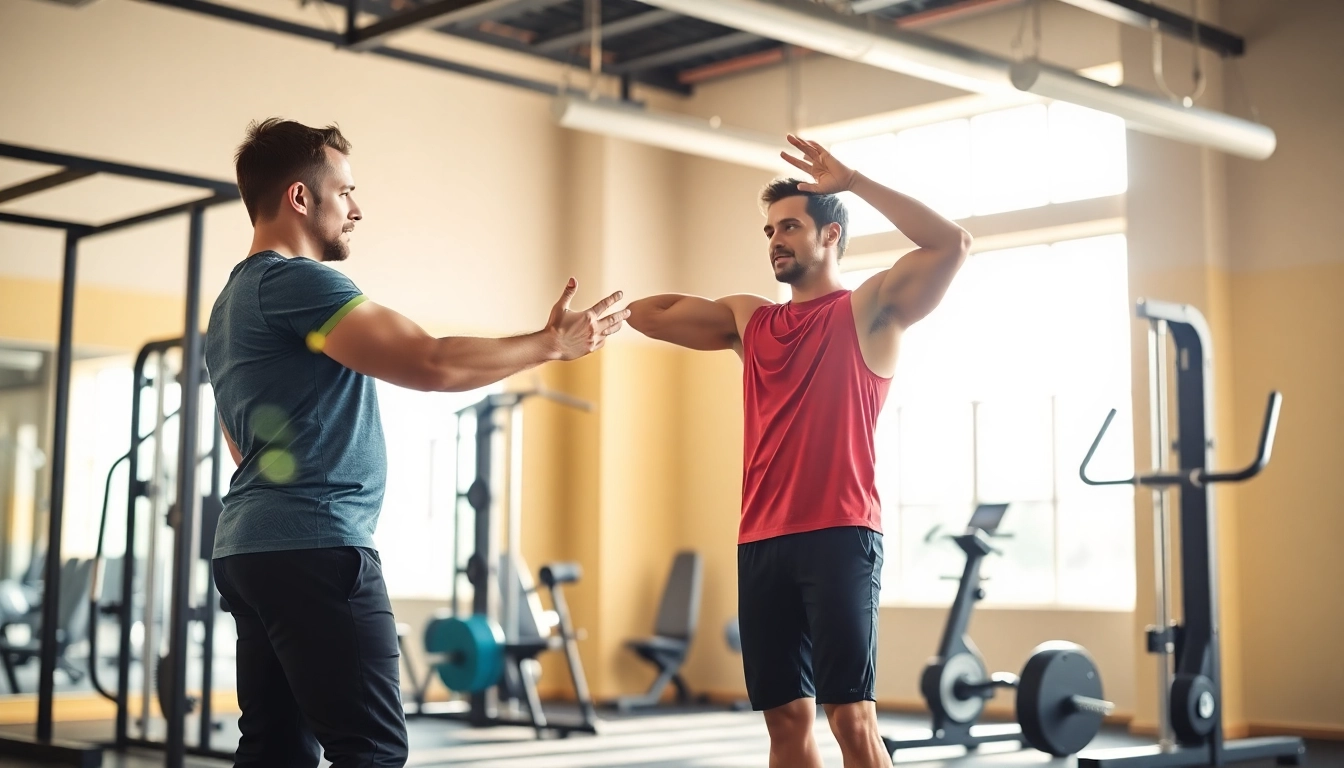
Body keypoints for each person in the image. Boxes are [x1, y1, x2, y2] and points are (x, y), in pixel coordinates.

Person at [204, 118, 628, 767]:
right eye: (344, 191)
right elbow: (430, 363)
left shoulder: (230, 304)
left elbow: (244, 446)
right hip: (318, 547)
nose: (356, 209)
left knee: (276, 749)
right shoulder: (299, 283)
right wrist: (551, 344)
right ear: (299, 197)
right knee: (370, 750)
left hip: (250, 549)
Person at [627, 135, 970, 768]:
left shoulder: (870, 311)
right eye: (768, 231)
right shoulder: (752, 322)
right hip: (761, 539)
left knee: (851, 716)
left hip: (840, 533)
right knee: (785, 719)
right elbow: (648, 315)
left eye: (790, 226)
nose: (775, 241)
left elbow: (950, 244)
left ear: (832, 234)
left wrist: (855, 180)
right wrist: (617, 309)